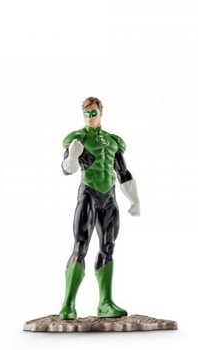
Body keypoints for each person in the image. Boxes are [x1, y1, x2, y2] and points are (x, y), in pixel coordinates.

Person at [59, 97, 140, 320]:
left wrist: (134, 199)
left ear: (101, 112)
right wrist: (73, 155)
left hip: (109, 197)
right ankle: (68, 304)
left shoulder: (113, 141)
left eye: (93, 112)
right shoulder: (78, 138)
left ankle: (105, 304)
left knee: (108, 247)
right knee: (80, 246)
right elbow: (67, 170)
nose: (89, 117)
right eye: (86, 113)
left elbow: (123, 172)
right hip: (89, 193)